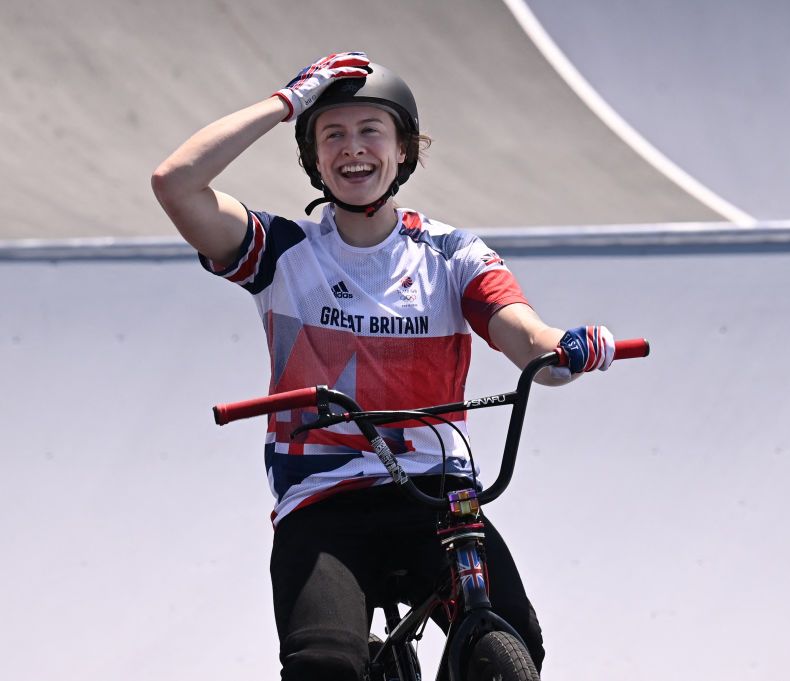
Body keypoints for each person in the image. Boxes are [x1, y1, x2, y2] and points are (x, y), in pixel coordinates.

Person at [152, 52, 618, 680]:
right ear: (314, 160)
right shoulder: (284, 253)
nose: (353, 149)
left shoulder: (451, 254)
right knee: (323, 667)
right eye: (332, 134)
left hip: (436, 497)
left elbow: (523, 332)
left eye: (371, 131)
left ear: (403, 151)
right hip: (324, 500)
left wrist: (562, 349)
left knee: (516, 643)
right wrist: (286, 103)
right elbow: (175, 182)